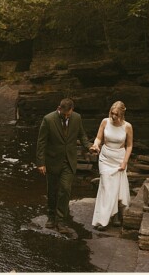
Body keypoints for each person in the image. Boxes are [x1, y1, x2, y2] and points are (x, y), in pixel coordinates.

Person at [35, 98, 93, 234]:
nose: (66, 116)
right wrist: (40, 163)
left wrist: (89, 146)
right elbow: (41, 142)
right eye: (64, 114)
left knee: (65, 189)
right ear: (59, 108)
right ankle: (51, 216)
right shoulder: (48, 119)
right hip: (52, 161)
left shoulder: (77, 118)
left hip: (69, 161)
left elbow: (82, 136)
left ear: (72, 110)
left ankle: (61, 220)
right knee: (52, 190)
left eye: (69, 114)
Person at [89, 101, 133, 230]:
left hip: (119, 158)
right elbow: (98, 138)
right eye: (112, 113)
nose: (113, 117)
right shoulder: (105, 121)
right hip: (105, 158)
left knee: (117, 188)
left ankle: (116, 215)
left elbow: (129, 145)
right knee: (107, 187)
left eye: (116, 114)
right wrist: (96, 145)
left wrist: (125, 162)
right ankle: (103, 219)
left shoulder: (127, 126)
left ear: (122, 114)